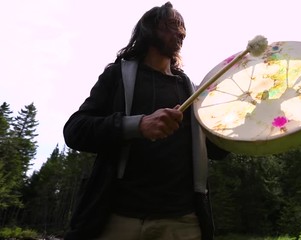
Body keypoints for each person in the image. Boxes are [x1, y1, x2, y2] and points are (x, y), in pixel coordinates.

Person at [63, 2, 229, 240]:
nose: (181, 33)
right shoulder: (118, 75)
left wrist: (240, 123)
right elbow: (75, 130)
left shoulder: (191, 91)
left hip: (182, 223)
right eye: (173, 25)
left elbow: (215, 150)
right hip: (118, 219)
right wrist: (138, 126)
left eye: (183, 28)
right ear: (150, 28)